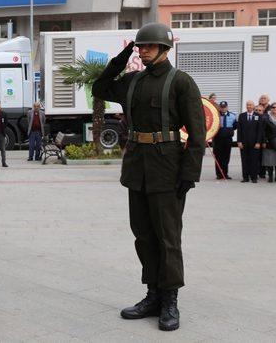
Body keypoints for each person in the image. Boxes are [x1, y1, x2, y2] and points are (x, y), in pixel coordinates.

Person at [92, 23, 205, 332]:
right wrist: (123, 54)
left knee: (168, 237)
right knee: (143, 235)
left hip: (168, 169)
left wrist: (189, 173)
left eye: (148, 46)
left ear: (165, 49)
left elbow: (197, 133)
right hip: (137, 167)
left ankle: (170, 300)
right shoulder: (132, 80)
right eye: (140, 46)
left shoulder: (181, 82)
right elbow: (99, 88)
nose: (142, 50)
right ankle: (152, 294)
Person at [238, 100, 263, 183]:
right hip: (243, 143)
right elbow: (239, 130)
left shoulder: (258, 116)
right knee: (244, 160)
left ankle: (254, 177)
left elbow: (260, 131)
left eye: (250, 105)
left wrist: (258, 142)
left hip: (254, 143)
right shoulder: (242, 116)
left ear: (253, 106)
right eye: (247, 105)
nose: (249, 106)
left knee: (254, 161)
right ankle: (245, 177)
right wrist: (239, 141)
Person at [213, 101, 236, 180]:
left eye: (224, 107)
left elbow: (235, 126)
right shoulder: (216, 115)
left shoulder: (233, 116)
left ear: (227, 107)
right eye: (222, 107)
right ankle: (219, 174)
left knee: (226, 157)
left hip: (228, 139)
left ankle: (225, 174)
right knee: (218, 157)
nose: (223, 109)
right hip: (218, 139)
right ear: (220, 107)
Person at [262, 102, 276, 182]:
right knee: (269, 160)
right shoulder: (265, 117)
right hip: (269, 141)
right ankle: (270, 177)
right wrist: (264, 141)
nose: (275, 109)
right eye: (273, 107)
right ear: (270, 108)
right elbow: (263, 130)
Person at [256, 104, 267, 178]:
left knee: (263, 157)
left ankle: (262, 173)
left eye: (259, 110)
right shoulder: (254, 118)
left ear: (263, 111)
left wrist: (264, 142)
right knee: (255, 157)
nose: (257, 112)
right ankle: (255, 171)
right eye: (256, 110)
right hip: (255, 141)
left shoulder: (265, 119)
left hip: (262, 141)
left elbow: (264, 132)